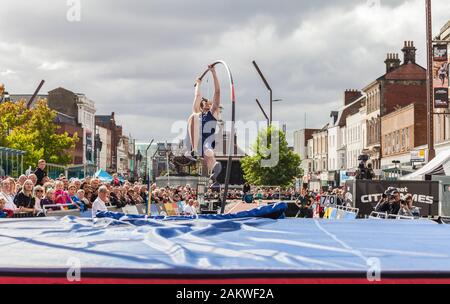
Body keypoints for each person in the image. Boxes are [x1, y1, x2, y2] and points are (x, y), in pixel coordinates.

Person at [185, 65, 222, 183]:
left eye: (208, 103)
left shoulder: (212, 114)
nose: (207, 104)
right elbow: (197, 96)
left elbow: (217, 92)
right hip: (197, 143)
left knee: (209, 153)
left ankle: (214, 169)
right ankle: (194, 150)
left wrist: (214, 73)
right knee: (193, 116)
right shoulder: (196, 114)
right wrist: (198, 84)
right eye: (204, 103)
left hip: (207, 143)